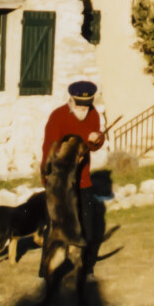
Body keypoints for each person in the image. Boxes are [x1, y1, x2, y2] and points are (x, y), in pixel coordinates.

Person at [41, 81, 107, 226]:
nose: (84, 110)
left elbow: (94, 145)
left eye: (86, 106)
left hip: (83, 180)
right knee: (58, 226)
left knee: (87, 226)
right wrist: (47, 177)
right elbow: (49, 149)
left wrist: (97, 138)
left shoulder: (93, 113)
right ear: (71, 100)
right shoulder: (58, 116)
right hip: (61, 182)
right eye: (79, 106)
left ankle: (87, 249)